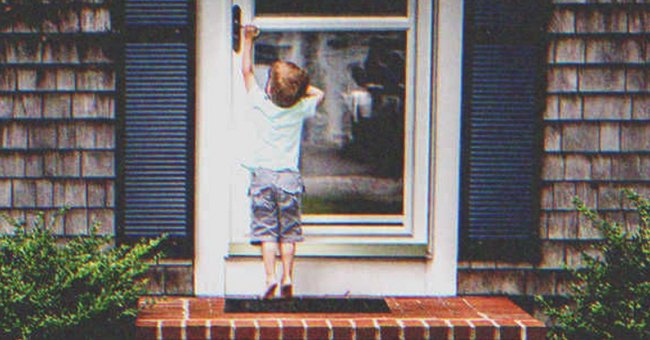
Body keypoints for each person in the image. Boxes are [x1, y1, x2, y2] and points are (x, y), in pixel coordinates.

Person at [240, 25, 325, 299]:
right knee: (288, 232)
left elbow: (246, 71)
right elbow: (319, 94)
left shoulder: (261, 104)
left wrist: (247, 39)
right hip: (289, 178)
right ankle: (288, 276)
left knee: (266, 231)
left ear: (269, 88)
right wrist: (300, 90)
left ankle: (269, 277)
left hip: (263, 177)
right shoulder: (300, 107)